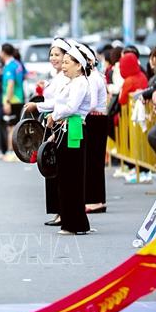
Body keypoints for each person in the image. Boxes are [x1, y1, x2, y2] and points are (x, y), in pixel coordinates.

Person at [23, 38, 71, 227]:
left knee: (57, 169)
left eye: (57, 55)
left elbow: (58, 103)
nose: (53, 58)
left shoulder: (66, 78)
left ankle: (63, 212)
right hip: (51, 123)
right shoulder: (56, 76)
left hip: (59, 124)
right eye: (51, 54)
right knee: (50, 169)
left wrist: (37, 106)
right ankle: (58, 211)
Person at [46, 45, 93, 235]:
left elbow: (72, 107)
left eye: (67, 62)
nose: (63, 66)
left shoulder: (80, 83)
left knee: (72, 177)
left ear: (78, 65)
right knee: (66, 177)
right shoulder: (71, 82)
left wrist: (54, 116)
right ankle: (72, 221)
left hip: (74, 128)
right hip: (66, 127)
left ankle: (74, 224)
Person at [76, 43, 109, 214]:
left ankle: (96, 200)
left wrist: (79, 112)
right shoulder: (92, 76)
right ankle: (94, 199)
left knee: (94, 162)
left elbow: (93, 103)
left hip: (96, 120)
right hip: (94, 120)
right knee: (91, 161)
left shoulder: (94, 78)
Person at [0, 43, 25, 162]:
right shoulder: (18, 64)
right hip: (19, 99)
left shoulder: (10, 66)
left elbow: (10, 84)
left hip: (13, 100)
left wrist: (7, 102)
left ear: (4, 53)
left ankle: (12, 152)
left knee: (11, 128)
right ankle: (14, 152)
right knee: (15, 127)